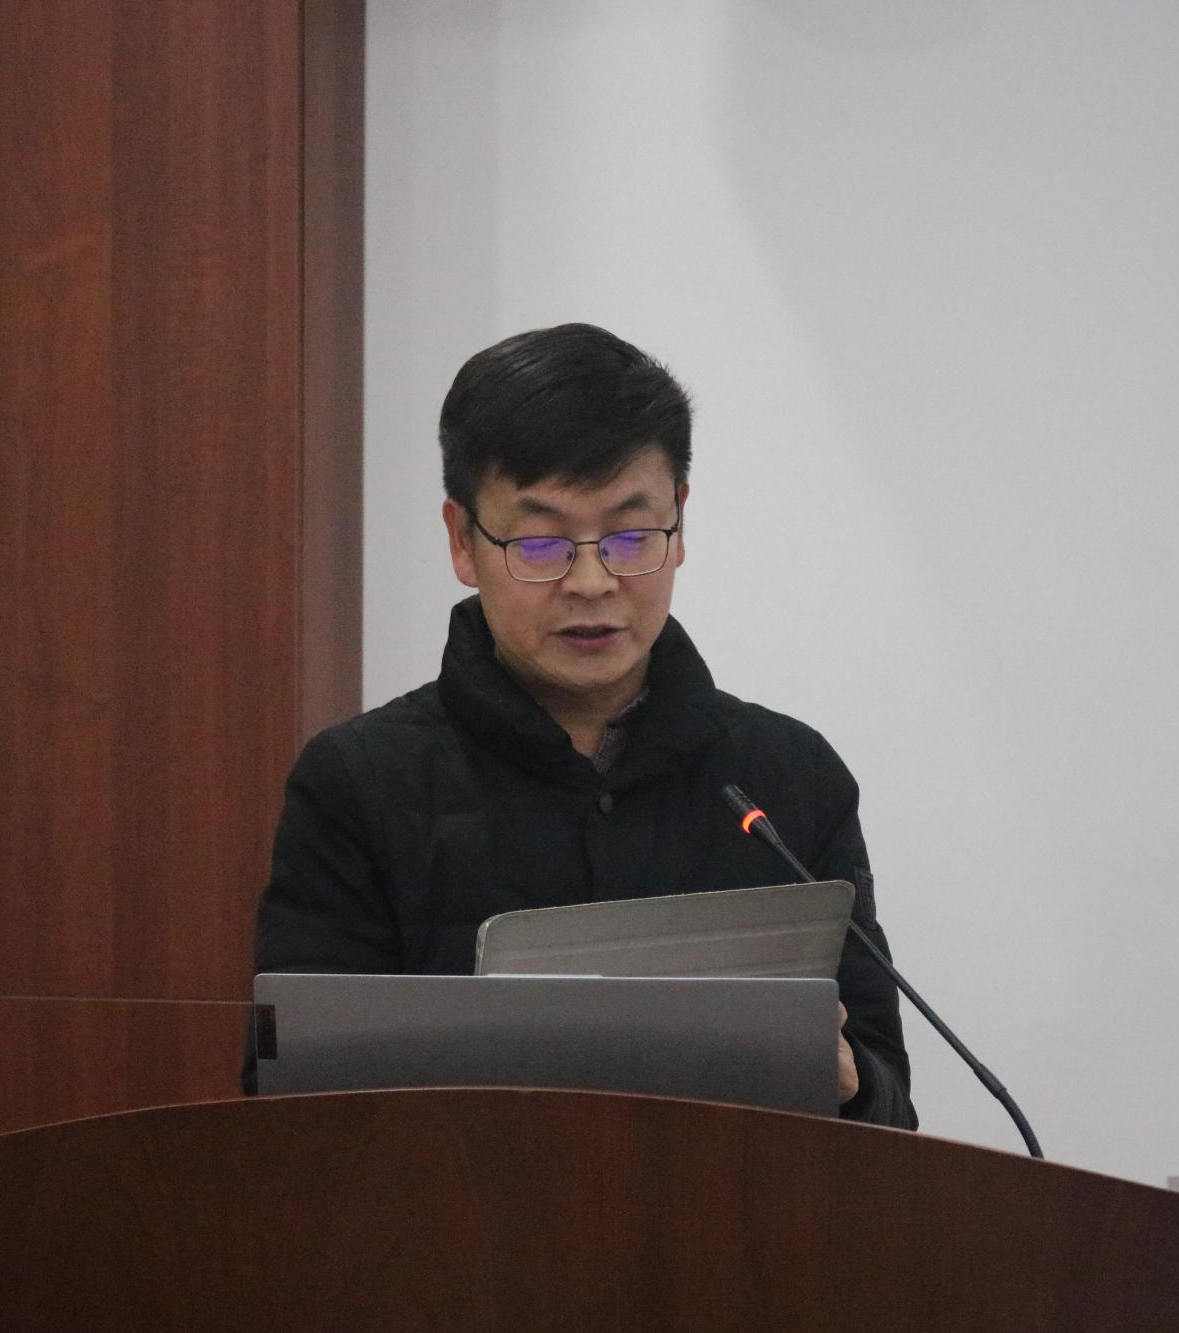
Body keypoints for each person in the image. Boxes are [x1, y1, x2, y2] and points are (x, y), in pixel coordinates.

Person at [247, 323, 916, 1127]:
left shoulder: (788, 779)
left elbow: (890, 1114)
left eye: (632, 536)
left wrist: (849, 1080)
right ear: (462, 540)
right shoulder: (358, 787)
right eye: (541, 542)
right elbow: (285, 1109)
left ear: (680, 523)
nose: (593, 581)